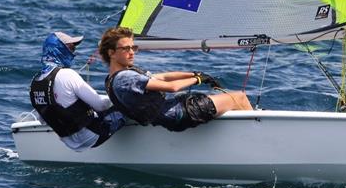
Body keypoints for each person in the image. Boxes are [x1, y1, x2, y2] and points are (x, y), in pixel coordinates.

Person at [99, 27, 253, 132]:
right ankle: (256, 138)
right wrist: (197, 80)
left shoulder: (115, 78)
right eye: (126, 49)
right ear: (111, 53)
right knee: (239, 97)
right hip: (177, 114)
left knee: (225, 100)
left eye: (134, 48)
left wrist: (194, 74)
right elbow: (172, 87)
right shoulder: (126, 78)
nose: (132, 52)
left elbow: (163, 77)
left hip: (169, 113)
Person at [29, 32, 125, 151]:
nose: (73, 52)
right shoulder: (67, 74)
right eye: (71, 48)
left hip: (70, 143)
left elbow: (43, 120)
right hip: (94, 135)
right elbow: (101, 105)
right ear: (59, 49)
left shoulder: (35, 82)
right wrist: (117, 99)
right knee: (127, 105)